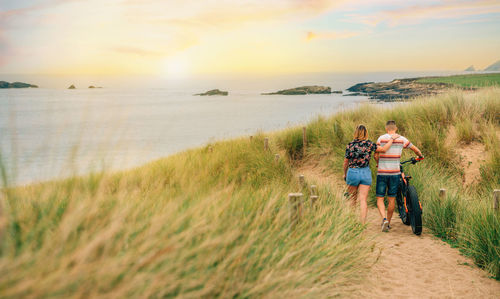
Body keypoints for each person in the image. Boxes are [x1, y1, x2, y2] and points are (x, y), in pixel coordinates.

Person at [343, 125, 399, 224]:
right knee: (363, 200)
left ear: (355, 133)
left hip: (353, 172)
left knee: (352, 200)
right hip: (365, 173)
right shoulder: (369, 144)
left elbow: (345, 162)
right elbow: (384, 149)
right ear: (366, 133)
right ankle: (362, 224)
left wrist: (344, 174)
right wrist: (391, 140)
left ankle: (351, 222)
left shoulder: (350, 145)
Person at [375, 120, 423, 232]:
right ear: (395, 128)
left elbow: (376, 155)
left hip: (382, 173)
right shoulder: (402, 139)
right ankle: (389, 223)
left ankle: (384, 219)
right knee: (392, 199)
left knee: (380, 198)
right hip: (395, 173)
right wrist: (420, 156)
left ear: (386, 128)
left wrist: (378, 162)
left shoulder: (381, 138)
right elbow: (415, 149)